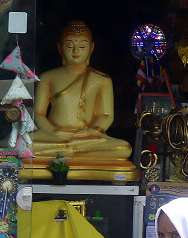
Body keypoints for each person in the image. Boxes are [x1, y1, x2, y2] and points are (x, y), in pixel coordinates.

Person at [29, 21, 138, 180]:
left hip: (87, 138)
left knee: (123, 148)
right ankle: (67, 151)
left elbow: (106, 116)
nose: (75, 51)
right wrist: (55, 132)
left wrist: (90, 132)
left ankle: (66, 152)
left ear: (91, 49)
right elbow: (39, 114)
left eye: (82, 46)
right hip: (52, 137)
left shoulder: (101, 80)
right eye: (69, 46)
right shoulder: (48, 77)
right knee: (20, 146)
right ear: (60, 48)